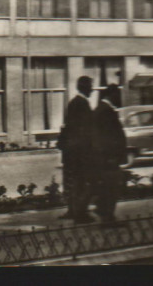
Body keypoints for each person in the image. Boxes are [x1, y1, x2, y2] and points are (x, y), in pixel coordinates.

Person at [57, 75, 95, 223]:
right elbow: (82, 130)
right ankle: (80, 214)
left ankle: (73, 210)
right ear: (85, 88)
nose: (92, 90)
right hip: (78, 152)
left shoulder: (75, 102)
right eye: (90, 86)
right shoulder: (81, 103)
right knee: (81, 182)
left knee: (73, 181)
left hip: (72, 151)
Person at [92, 83, 128, 223]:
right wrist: (111, 157)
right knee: (111, 187)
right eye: (117, 95)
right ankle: (108, 218)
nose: (119, 98)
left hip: (106, 158)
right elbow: (105, 137)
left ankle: (103, 210)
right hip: (109, 158)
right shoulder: (106, 111)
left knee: (107, 187)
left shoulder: (102, 109)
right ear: (111, 95)